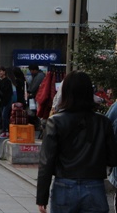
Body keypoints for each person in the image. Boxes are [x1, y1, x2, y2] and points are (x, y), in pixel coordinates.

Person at [37, 71, 117, 213]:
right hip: (94, 185)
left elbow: (46, 162)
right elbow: (112, 158)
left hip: (64, 185)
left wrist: (41, 197)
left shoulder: (55, 122)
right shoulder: (103, 122)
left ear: (66, 92)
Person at [0, 66, 13, 139]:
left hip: (7, 101)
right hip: (1, 101)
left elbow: (7, 92)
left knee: (4, 116)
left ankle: (5, 131)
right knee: (4, 116)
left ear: (4, 72)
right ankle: (5, 131)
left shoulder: (7, 81)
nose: (0, 72)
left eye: (1, 71)